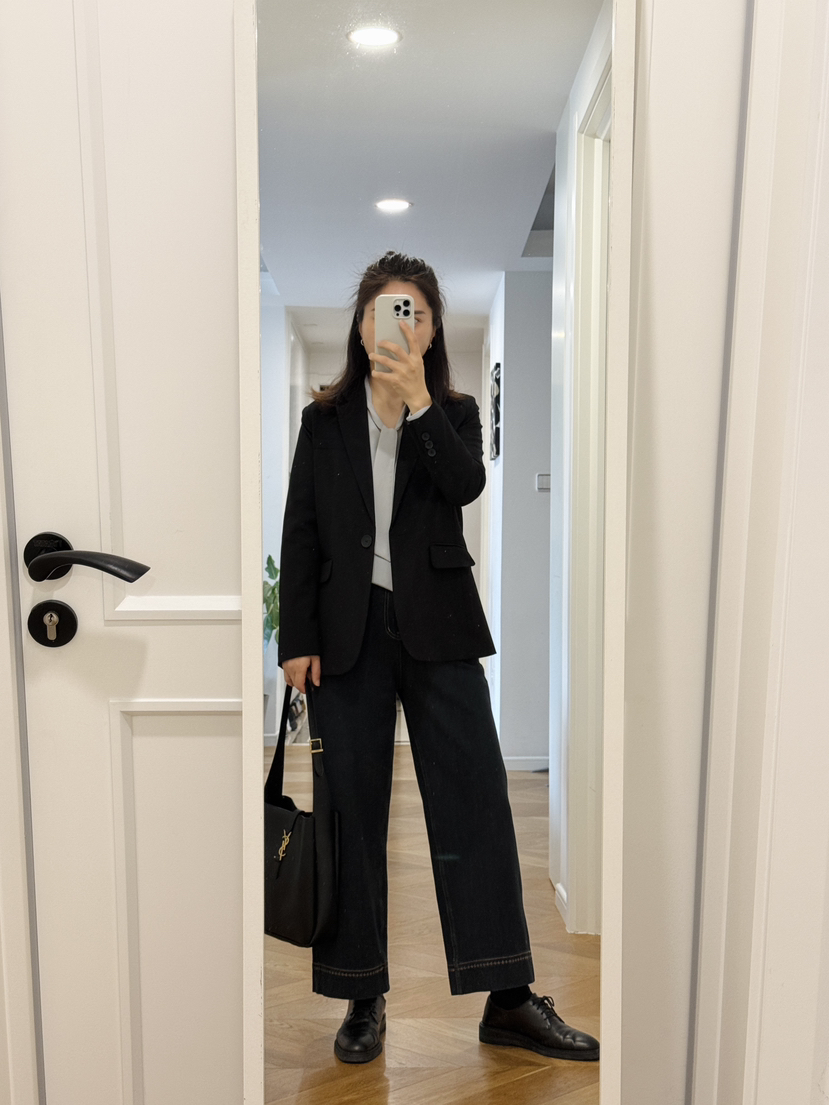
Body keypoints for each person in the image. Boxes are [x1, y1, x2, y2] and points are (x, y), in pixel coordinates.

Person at [278, 250, 599, 1065]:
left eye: (414, 313)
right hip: (346, 636)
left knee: (477, 802)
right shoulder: (323, 421)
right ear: (361, 327)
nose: (400, 324)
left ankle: (508, 996)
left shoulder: (453, 412)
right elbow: (301, 529)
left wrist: (417, 404)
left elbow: (463, 488)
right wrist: (296, 640)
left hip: (441, 628)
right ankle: (361, 993)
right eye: (386, 311)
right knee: (350, 811)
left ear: (429, 332)